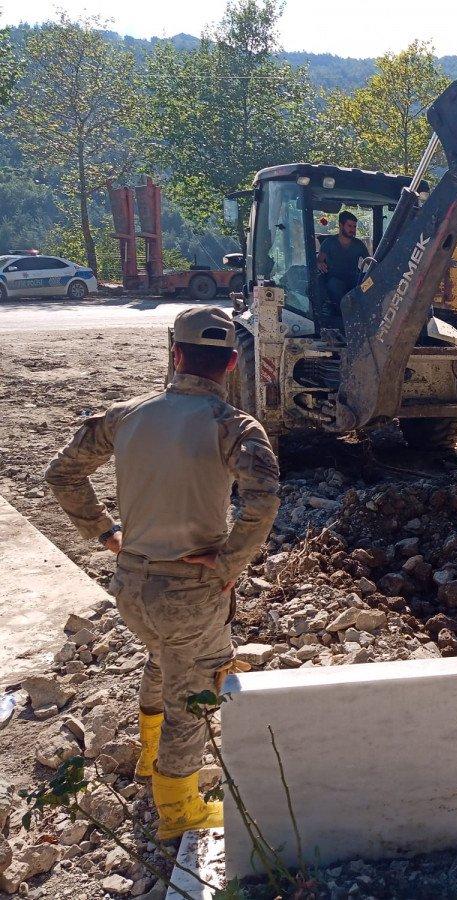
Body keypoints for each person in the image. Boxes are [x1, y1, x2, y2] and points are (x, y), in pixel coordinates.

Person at [45, 306, 281, 839]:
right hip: (191, 590)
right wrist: (228, 563)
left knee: (169, 658)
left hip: (130, 585)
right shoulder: (234, 427)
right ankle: (177, 810)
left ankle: (151, 758)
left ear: (175, 354)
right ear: (233, 363)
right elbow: (262, 502)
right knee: (192, 694)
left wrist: (105, 532)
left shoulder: (126, 414)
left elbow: (62, 473)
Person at [317, 210, 369, 312]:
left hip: (354, 279)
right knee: (334, 285)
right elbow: (319, 261)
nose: (353, 230)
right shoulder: (329, 243)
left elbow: (369, 261)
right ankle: (344, 313)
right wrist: (319, 264)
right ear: (341, 225)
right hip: (335, 278)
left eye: (354, 227)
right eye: (349, 226)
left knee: (369, 281)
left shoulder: (359, 244)